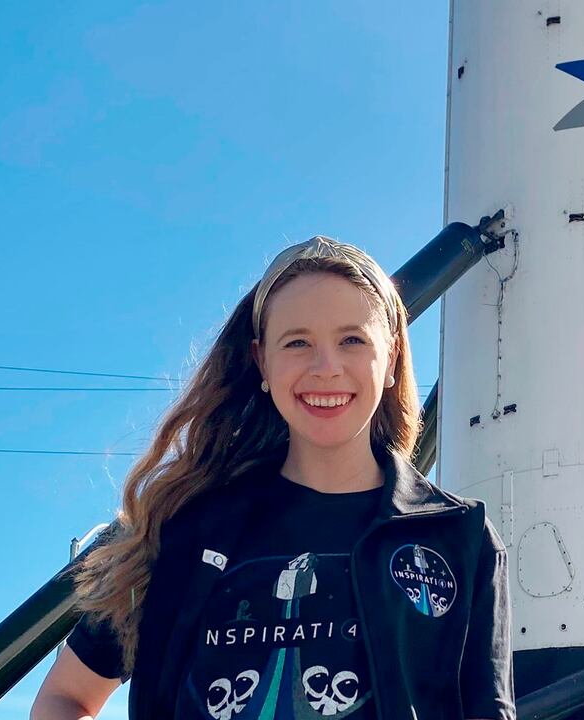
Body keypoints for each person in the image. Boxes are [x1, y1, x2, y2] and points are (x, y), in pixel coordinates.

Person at [31, 237, 514, 720]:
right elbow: (65, 699)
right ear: (262, 361)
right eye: (297, 342)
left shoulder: (457, 537)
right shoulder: (186, 528)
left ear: (390, 359)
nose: (326, 368)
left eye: (352, 340)